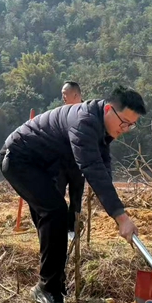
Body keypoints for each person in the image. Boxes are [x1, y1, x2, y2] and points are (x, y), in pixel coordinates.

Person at [0, 85, 146, 303]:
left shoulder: (101, 125)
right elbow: (92, 168)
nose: (126, 129)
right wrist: (121, 217)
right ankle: (47, 289)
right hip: (20, 159)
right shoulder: (84, 121)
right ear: (109, 109)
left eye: (131, 125)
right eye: (124, 122)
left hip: (45, 166)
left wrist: (116, 212)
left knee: (52, 221)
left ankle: (53, 283)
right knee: (56, 212)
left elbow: (103, 167)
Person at [60, 81, 85, 240]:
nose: (62, 97)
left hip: (79, 164)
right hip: (61, 163)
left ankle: (72, 229)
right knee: (57, 195)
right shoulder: (61, 113)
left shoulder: (87, 112)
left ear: (75, 95)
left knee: (76, 198)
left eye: (65, 93)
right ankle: (59, 227)